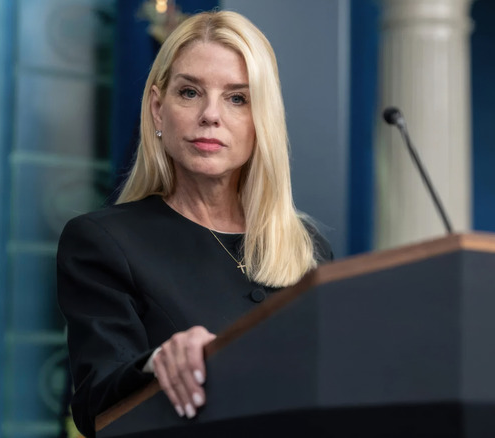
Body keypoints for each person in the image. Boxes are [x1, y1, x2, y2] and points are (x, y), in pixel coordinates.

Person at [56, 10, 333, 437]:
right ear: (157, 109)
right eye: (190, 92)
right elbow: (95, 404)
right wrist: (156, 362)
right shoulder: (103, 241)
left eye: (237, 98)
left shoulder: (307, 246)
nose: (211, 115)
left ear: (264, 121)